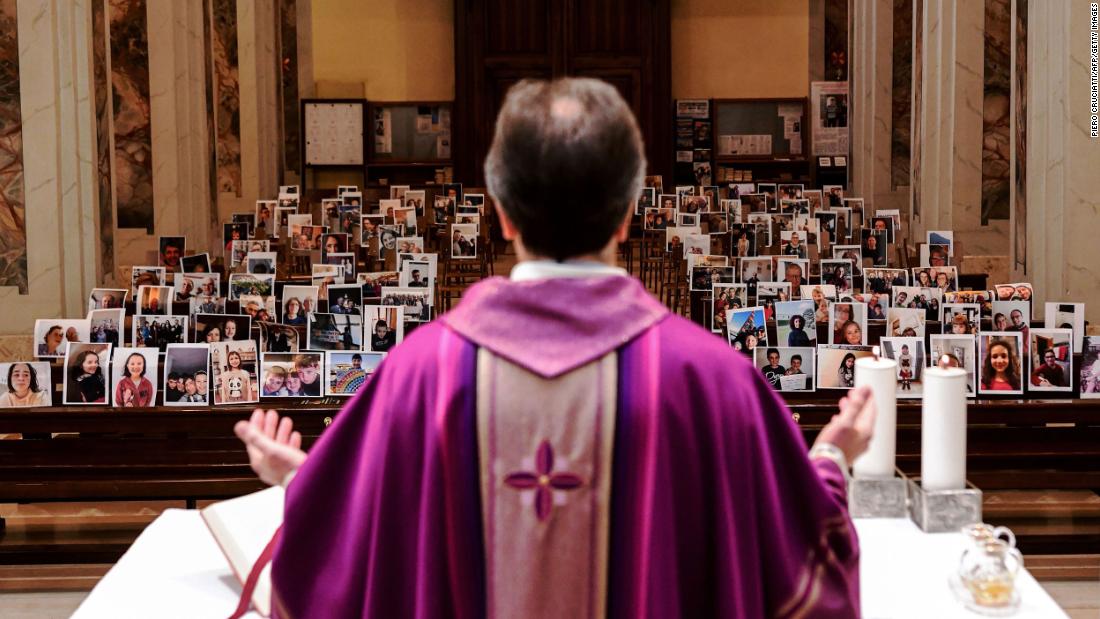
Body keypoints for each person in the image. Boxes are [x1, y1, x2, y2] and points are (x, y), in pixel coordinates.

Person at [234, 77, 872, 617]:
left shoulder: (417, 374)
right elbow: (800, 571)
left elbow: (347, 553)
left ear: (503, 214)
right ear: (629, 212)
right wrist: (833, 459)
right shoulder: (713, 380)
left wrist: (299, 480)